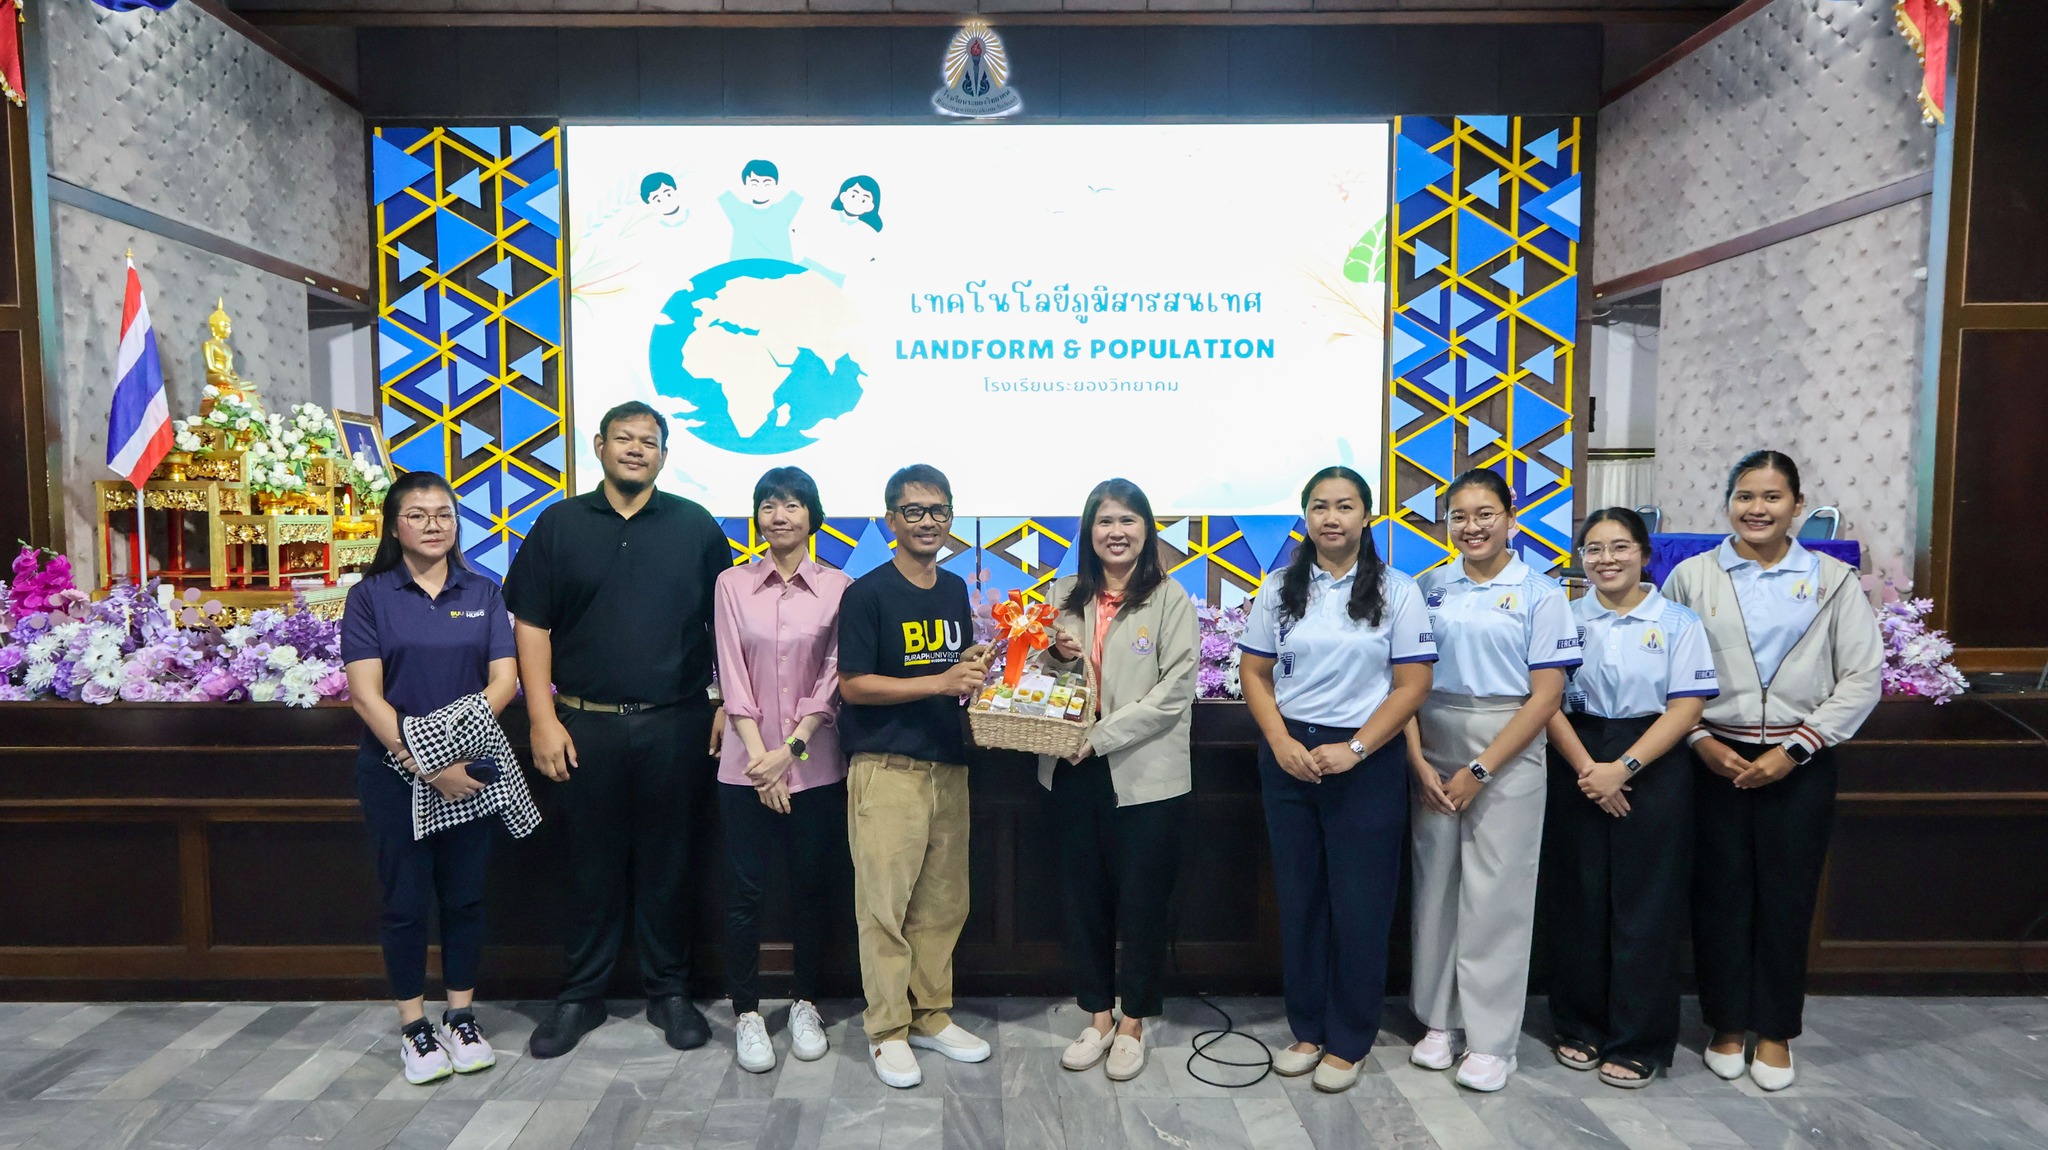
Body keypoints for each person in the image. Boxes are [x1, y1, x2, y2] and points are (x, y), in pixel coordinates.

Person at [502, 401, 732, 1059]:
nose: (636, 449)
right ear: (599, 446)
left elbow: (727, 622)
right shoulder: (559, 524)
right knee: (587, 866)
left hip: (676, 722)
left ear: (664, 455)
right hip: (584, 725)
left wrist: (725, 699)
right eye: (624, 439)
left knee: (671, 864)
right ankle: (580, 995)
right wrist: (542, 718)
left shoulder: (695, 526)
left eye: (649, 442)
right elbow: (532, 625)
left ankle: (670, 992)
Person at [1661, 450, 1881, 1092]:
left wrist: (1797, 749)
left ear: (1797, 505)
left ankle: (1777, 1029)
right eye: (1745, 496)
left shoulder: (1831, 580)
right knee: (1718, 896)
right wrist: (1698, 738)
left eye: (1772, 497)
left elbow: (1862, 675)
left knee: (1787, 898)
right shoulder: (1692, 577)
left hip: (1799, 763)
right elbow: (1664, 667)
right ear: (1729, 502)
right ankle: (1726, 1023)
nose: (1756, 509)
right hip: (1714, 759)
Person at [1239, 466, 1436, 1094]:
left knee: (1361, 905)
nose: (1332, 517)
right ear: (1305, 517)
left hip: (1365, 759)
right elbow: (1254, 673)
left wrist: (1355, 749)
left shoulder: (1397, 590)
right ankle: (1306, 1029)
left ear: (1366, 517)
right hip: (1290, 757)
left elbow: (1413, 685)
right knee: (1300, 900)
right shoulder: (1279, 587)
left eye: (1345, 506)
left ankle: (1349, 1039)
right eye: (1320, 506)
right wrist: (1280, 742)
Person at [1405, 467, 1580, 1093]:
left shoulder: (1540, 593)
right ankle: (1439, 1020)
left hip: (1508, 745)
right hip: (1433, 738)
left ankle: (1491, 1039)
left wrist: (1481, 770)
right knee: (1436, 885)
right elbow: (1405, 679)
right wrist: (1417, 758)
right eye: (1459, 516)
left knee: (1496, 892)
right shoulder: (1428, 587)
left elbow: (1547, 697)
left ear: (1511, 517)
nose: (1471, 526)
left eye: (1485, 514)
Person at [342, 471, 517, 1085]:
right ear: (394, 527)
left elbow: (503, 682)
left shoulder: (483, 590)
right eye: (417, 515)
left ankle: (461, 1016)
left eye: (443, 513)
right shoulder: (370, 597)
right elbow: (365, 696)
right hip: (395, 772)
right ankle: (415, 1026)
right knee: (405, 902)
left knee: (465, 897)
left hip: (471, 771)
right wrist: (425, 762)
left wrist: (454, 758)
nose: (433, 525)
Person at [1540, 508, 1718, 1089]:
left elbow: (1686, 708)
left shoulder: (1678, 622)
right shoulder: (1564, 618)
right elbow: (1545, 700)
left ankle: (1639, 1039)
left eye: (1619, 547)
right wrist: (1590, 770)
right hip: (1577, 754)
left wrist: (1623, 769)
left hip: (1654, 759)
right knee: (1579, 897)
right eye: (1593, 549)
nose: (1606, 559)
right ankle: (1578, 1024)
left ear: (1644, 554)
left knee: (1648, 904)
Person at [1038, 479, 1199, 1083]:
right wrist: (1053, 657)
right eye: (1105, 521)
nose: (1116, 532)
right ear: (1089, 531)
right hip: (1071, 768)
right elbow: (1038, 672)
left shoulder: (1170, 598)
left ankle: (1133, 1021)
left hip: (1146, 773)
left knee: (1143, 901)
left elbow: (1174, 692)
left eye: (1128, 520)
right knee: (1083, 898)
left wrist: (1102, 735)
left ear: (1146, 529)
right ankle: (1098, 1016)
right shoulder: (1062, 593)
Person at [836, 464, 991, 1088]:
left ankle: (930, 1017)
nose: (928, 522)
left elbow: (950, 668)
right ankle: (887, 1030)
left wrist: (975, 665)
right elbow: (853, 685)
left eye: (938, 511)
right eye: (914, 511)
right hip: (886, 769)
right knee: (884, 909)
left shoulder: (952, 588)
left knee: (943, 905)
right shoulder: (866, 594)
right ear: (890, 520)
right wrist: (939, 681)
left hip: (947, 768)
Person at [713, 466, 852, 1074]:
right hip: (745, 767)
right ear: (758, 517)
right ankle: (746, 1011)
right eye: (769, 505)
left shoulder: (840, 587)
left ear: (812, 516)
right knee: (743, 894)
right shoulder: (731, 584)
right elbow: (731, 673)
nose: (780, 516)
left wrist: (789, 751)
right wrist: (761, 761)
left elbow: (834, 676)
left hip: (813, 764)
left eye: (793, 505)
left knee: (811, 889)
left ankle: (804, 1003)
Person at [798, 176, 884, 288]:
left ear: (870, 207)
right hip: (808, 265)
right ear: (843, 196)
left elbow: (869, 258)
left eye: (863, 200)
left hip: (834, 277)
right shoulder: (825, 216)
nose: (856, 202)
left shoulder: (865, 232)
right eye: (853, 195)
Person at [719, 159, 802, 263]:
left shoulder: (784, 209)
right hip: (743, 269)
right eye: (755, 183)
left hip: (777, 269)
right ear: (745, 184)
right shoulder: (737, 210)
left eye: (767, 183)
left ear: (775, 184)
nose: (761, 187)